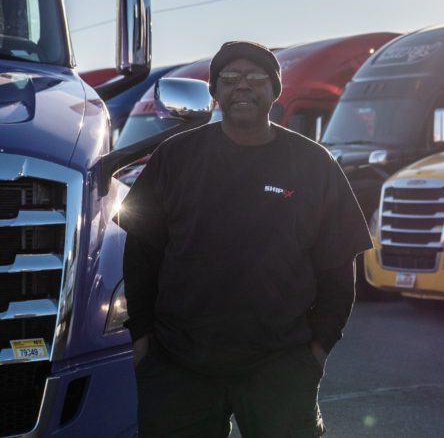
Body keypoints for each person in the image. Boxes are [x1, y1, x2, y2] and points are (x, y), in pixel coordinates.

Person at [120, 41, 372, 437]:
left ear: (275, 91)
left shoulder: (313, 164)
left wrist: (318, 351)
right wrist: (141, 340)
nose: (243, 87)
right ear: (214, 92)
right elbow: (141, 253)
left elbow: (339, 266)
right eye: (230, 78)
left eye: (256, 78)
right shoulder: (175, 157)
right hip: (178, 364)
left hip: (280, 365)